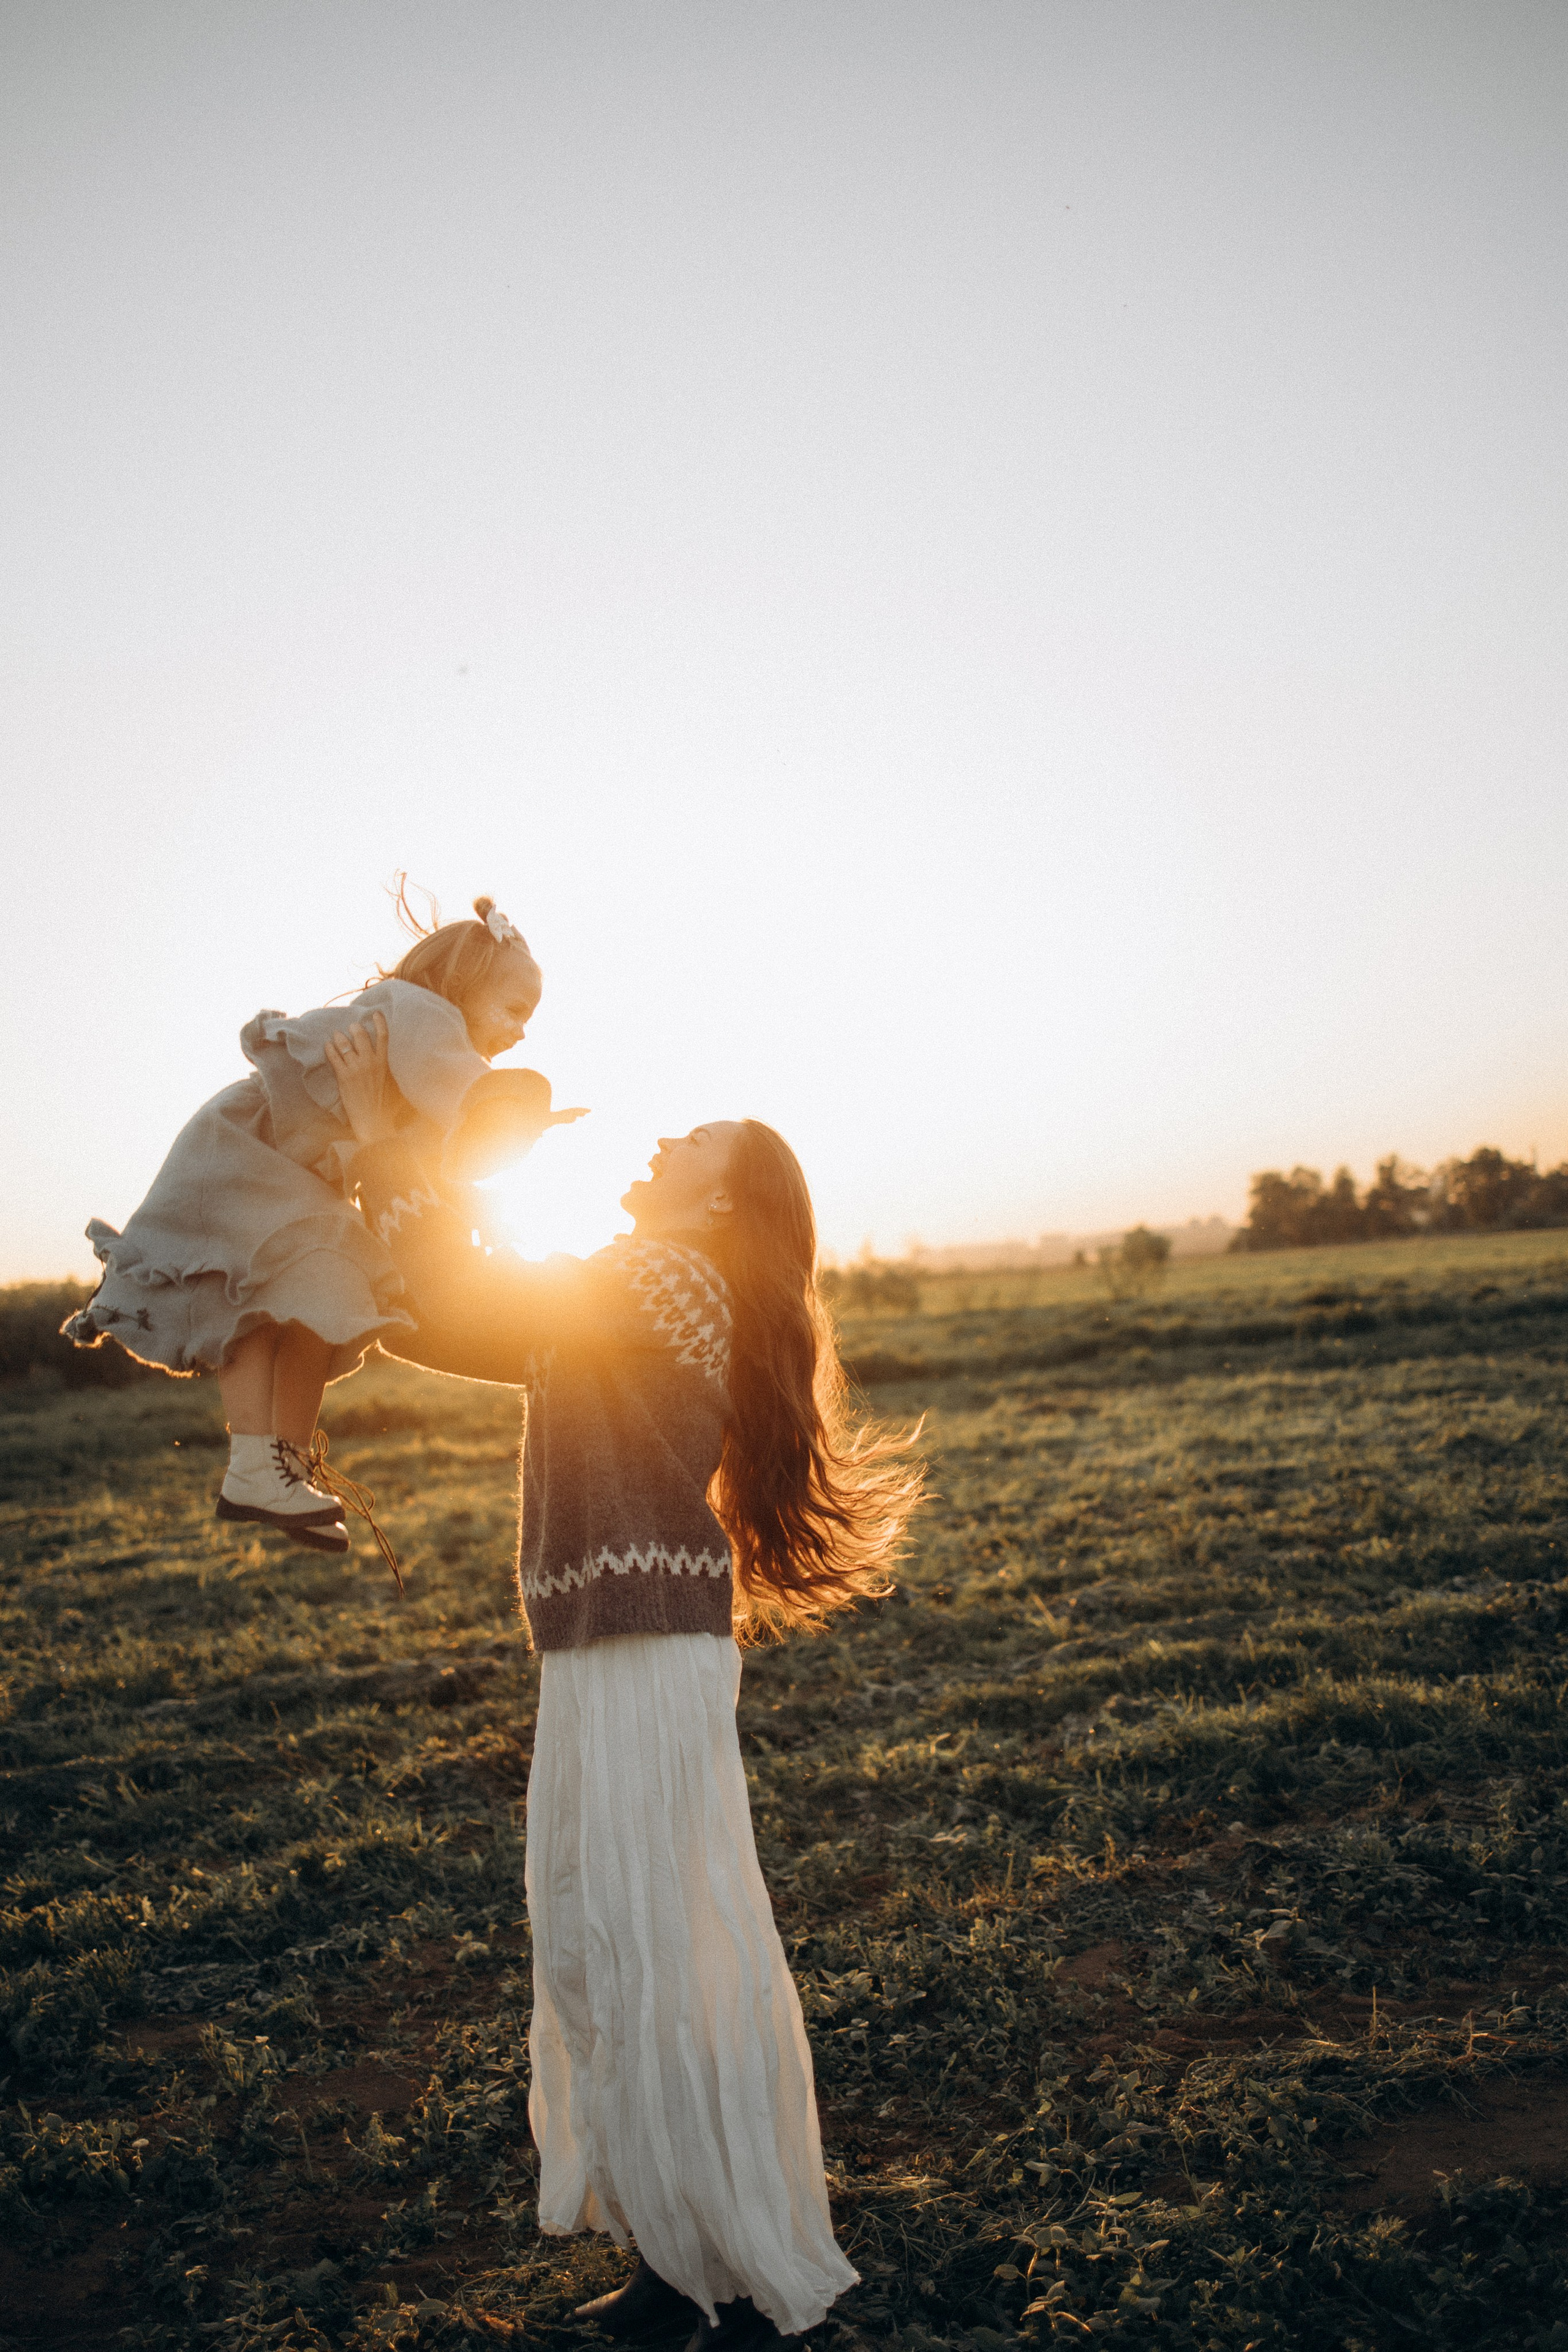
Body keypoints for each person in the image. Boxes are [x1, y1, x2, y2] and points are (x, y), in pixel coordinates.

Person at [323, 1014, 922, 2352]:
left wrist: (391, 1130)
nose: (664, 1138)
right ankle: (672, 2259)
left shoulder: (666, 1277)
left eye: (696, 1139)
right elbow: (450, 1320)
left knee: (663, 1951)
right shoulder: (655, 1281)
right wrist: (397, 1160)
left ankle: (744, 2285)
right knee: (608, 1944)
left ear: (723, 1198)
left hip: (642, 1646)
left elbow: (465, 1296)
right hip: (612, 1641)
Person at [64, 891, 582, 1550]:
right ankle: (255, 1463)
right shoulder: (421, 1013)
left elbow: (426, 1167)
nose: (521, 1031)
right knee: (248, 1300)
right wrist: (514, 1114)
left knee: (326, 1299)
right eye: (514, 1009)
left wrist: (484, 1202)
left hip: (289, 1177)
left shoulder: (420, 1059)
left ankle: (283, 1466)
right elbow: (465, 1098)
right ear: (461, 986)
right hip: (245, 1149)